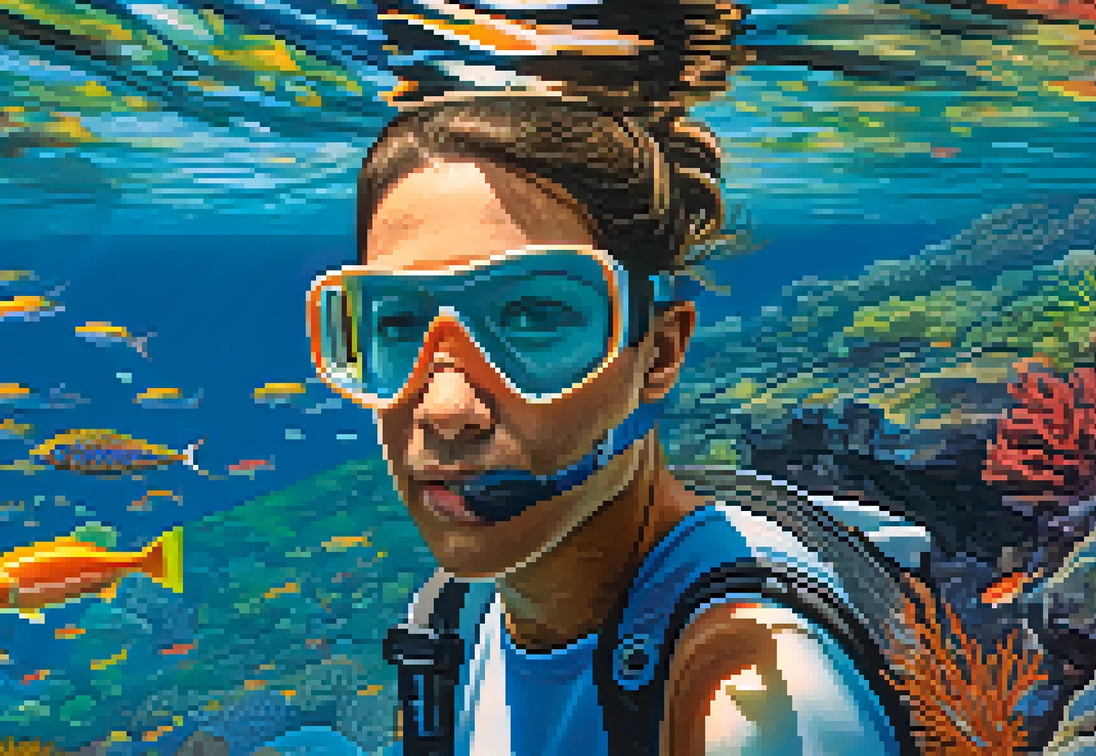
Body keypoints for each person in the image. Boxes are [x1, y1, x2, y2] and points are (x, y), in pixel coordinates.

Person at [305, 95, 931, 755]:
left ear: (658, 353)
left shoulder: (755, 701)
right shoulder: (456, 625)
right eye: (398, 324)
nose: (445, 407)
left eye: (535, 316)